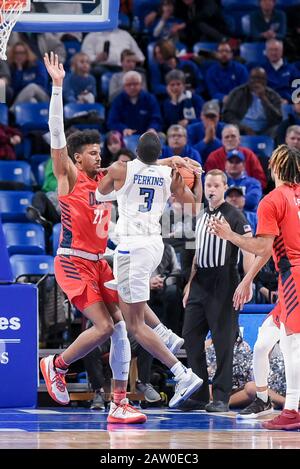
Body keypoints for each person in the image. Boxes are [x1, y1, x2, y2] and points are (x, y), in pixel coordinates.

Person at [40, 52, 184, 424]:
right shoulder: (69, 177)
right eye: (91, 153)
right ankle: (55, 364)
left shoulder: (111, 178)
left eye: (98, 151)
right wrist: (58, 88)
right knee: (104, 327)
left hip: (100, 260)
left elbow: (143, 164)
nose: (98, 154)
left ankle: (119, 401)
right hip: (72, 260)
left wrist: (176, 161)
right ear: (77, 158)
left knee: (121, 328)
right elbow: (57, 135)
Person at [96, 131, 204, 409]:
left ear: (134, 150)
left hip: (132, 247)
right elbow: (193, 208)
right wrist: (190, 176)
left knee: (133, 324)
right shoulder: (168, 174)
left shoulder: (122, 168)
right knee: (124, 295)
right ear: (160, 154)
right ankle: (167, 334)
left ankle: (182, 374)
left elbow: (99, 192)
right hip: (154, 245)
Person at [207, 144, 300, 430]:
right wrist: (248, 279)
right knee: (262, 342)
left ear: (274, 167)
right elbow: (270, 249)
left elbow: (261, 245)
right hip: (291, 273)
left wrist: (229, 234)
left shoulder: (272, 200)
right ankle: (262, 400)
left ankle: (292, 410)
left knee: (291, 344)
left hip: (293, 275)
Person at [181, 169, 254, 412]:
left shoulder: (235, 215)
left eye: (215, 185)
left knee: (223, 341)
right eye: (208, 185)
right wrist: (190, 283)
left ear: (224, 188)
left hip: (224, 280)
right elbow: (195, 253)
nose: (211, 189)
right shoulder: (200, 215)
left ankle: (221, 397)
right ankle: (200, 393)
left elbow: (248, 249)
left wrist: (247, 282)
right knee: (190, 337)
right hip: (200, 279)